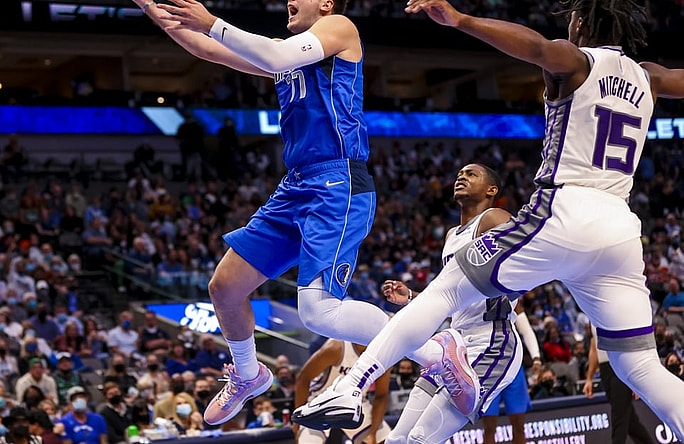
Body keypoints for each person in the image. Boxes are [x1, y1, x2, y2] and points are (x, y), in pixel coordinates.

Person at [293, 0, 684, 437]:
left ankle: (351, 386)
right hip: (621, 229)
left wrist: (461, 20)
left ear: (583, 23)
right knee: (641, 366)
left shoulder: (577, 60)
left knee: (442, 291)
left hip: (567, 208)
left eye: (572, 20)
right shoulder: (647, 76)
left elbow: (534, 46)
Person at [138, 0, 392, 426]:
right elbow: (206, 49)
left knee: (318, 312)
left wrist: (214, 21)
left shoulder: (341, 27)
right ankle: (248, 373)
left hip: (337, 181)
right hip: (296, 185)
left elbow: (266, 51)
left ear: (326, 3)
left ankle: (431, 345)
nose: (288, 0)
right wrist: (153, 8)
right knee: (224, 287)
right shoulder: (289, 58)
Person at [379, 164, 522, 443]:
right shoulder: (452, 235)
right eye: (459, 174)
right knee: (398, 439)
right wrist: (411, 297)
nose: (462, 177)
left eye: (471, 174)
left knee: (421, 439)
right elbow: (450, 297)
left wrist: (515, 289)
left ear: (491, 190)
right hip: (455, 344)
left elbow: (529, 257)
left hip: (492, 342)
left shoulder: (494, 218)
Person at [294, 339, 391, 444]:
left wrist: (373, 433)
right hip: (322, 400)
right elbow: (303, 378)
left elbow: (381, 395)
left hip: (357, 402)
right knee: (309, 441)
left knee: (385, 440)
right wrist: (297, 420)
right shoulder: (336, 347)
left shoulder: (383, 355)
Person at [583, 323, 656, 444]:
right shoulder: (592, 313)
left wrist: (635, 379)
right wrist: (589, 378)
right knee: (630, 421)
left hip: (621, 365)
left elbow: (631, 342)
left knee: (619, 417)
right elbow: (593, 345)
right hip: (605, 369)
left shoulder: (616, 310)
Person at [482, 298, 540, 444]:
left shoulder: (511, 299)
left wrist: (536, 357)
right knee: (489, 428)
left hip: (513, 366)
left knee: (519, 425)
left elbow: (526, 330)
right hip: (488, 368)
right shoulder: (478, 299)